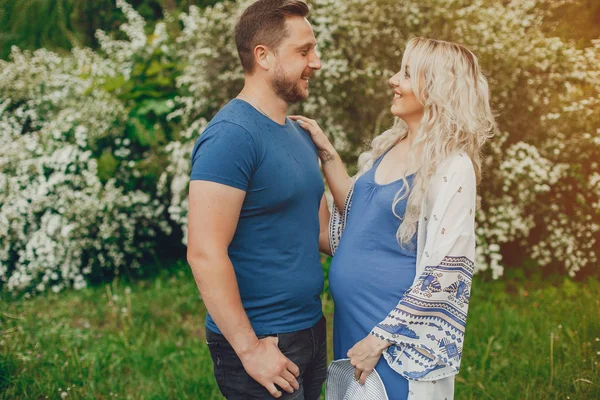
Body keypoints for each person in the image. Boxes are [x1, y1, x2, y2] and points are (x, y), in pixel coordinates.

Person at [290, 37, 496, 400]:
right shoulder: (389, 146)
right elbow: (359, 215)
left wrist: (378, 340)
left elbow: (447, 269)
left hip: (395, 336)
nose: (393, 80)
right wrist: (326, 153)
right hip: (354, 324)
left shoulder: (453, 165)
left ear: (437, 89)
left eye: (406, 73)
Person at [186, 1, 329, 399]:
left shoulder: (300, 135)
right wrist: (249, 349)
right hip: (264, 342)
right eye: (304, 51)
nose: (316, 63)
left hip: (310, 330)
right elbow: (203, 252)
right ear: (263, 56)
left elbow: (321, 233)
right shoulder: (231, 136)